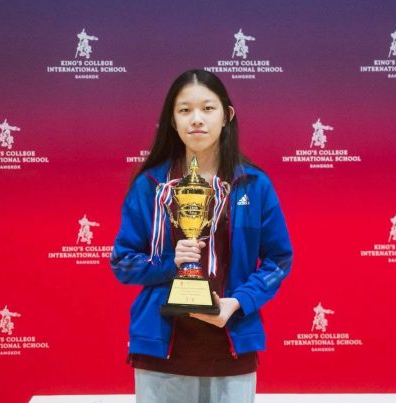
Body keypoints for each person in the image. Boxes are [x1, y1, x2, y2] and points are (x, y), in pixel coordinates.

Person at [110, 69, 293, 403]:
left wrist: (238, 302)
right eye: (185, 110)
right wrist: (170, 262)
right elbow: (123, 262)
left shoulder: (254, 185)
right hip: (161, 347)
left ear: (227, 116)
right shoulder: (150, 186)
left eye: (208, 108)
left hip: (232, 342)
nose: (196, 119)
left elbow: (279, 259)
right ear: (172, 120)